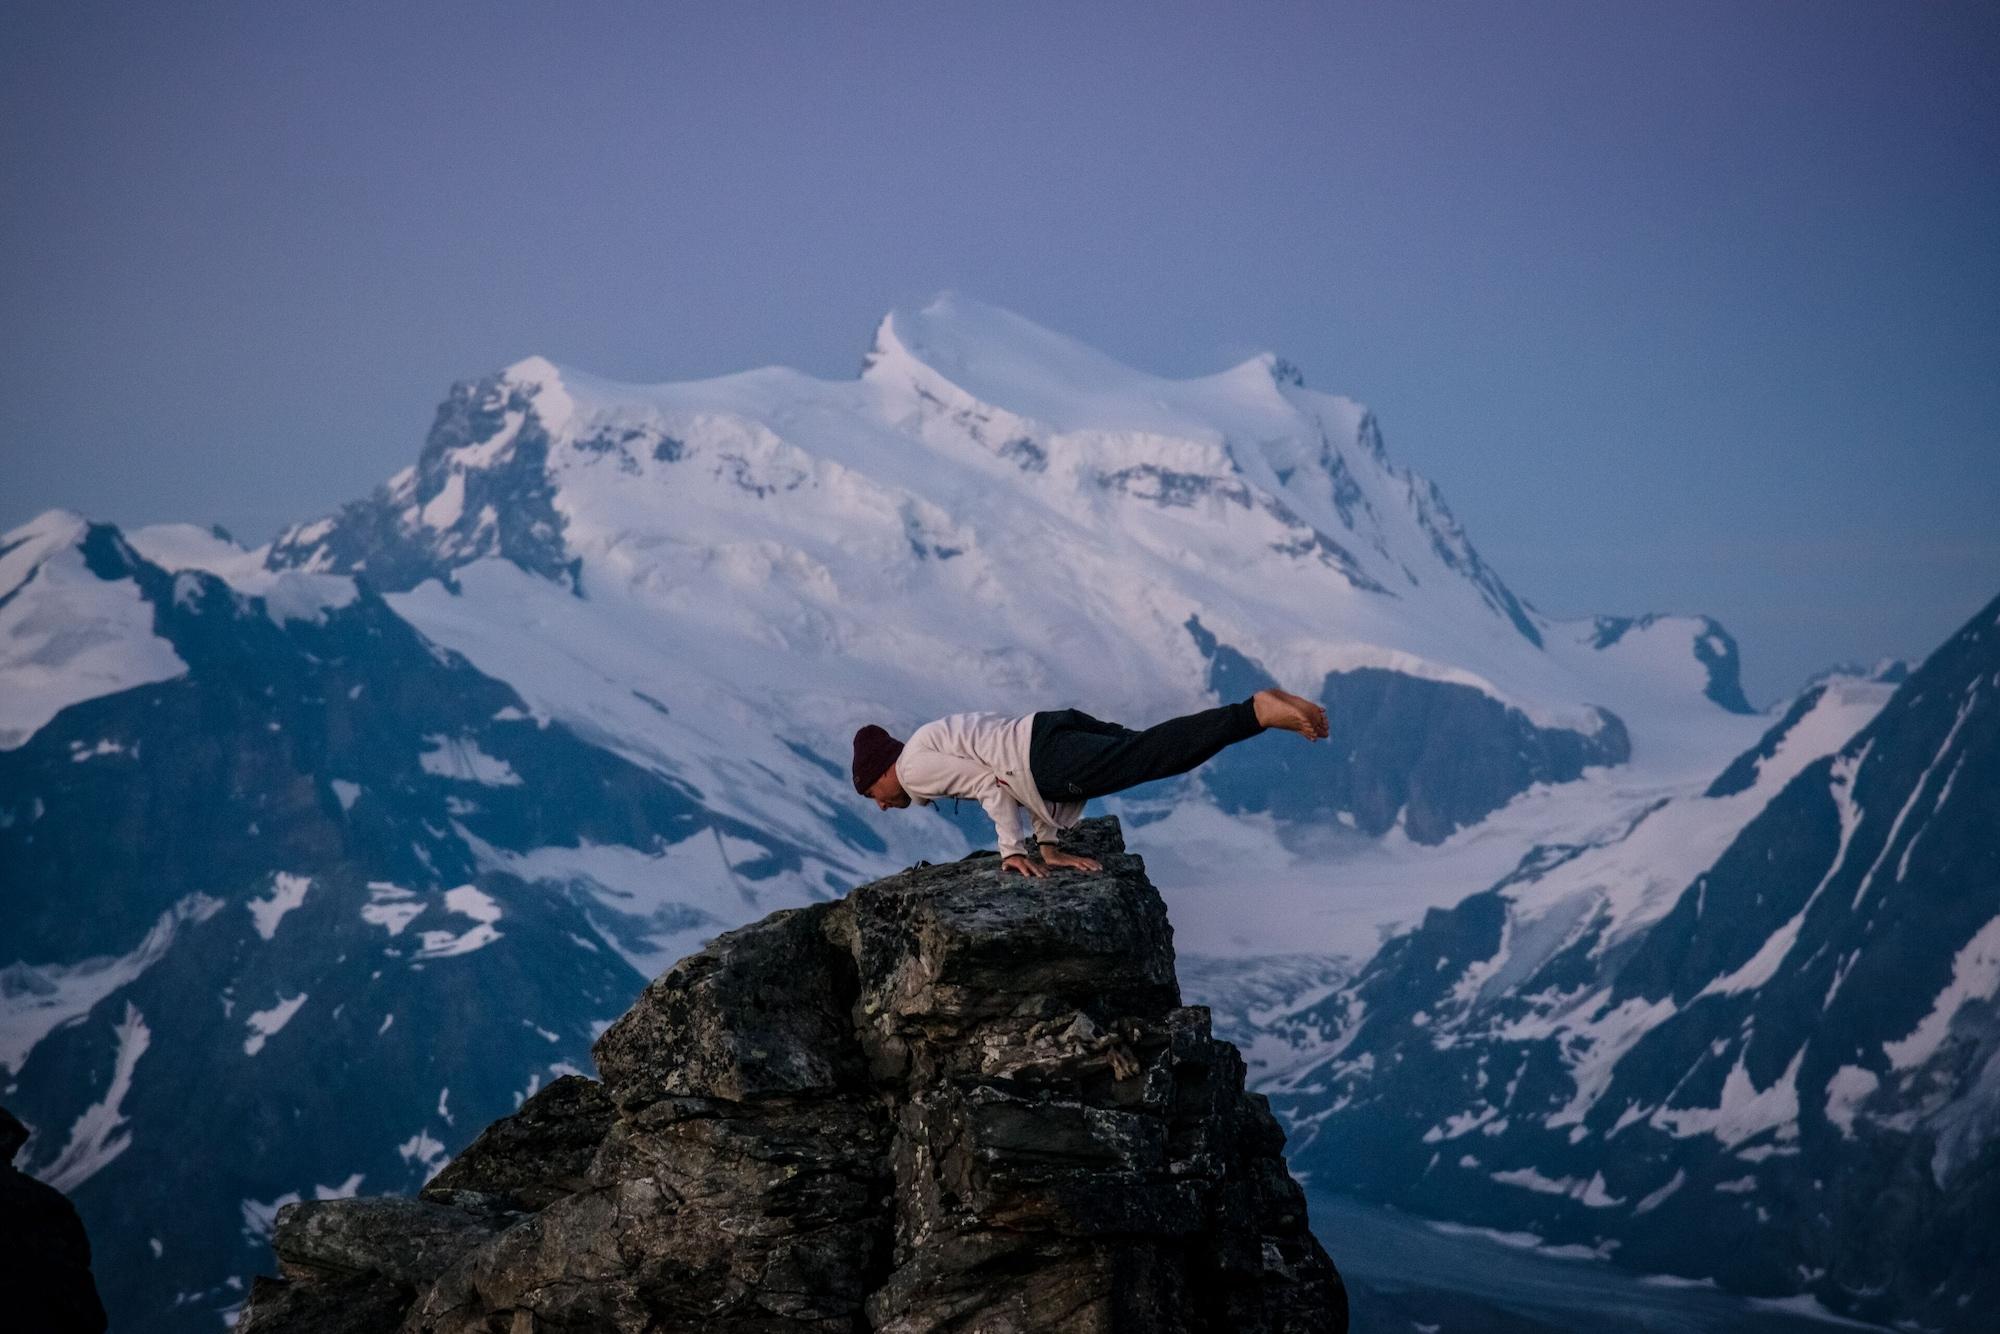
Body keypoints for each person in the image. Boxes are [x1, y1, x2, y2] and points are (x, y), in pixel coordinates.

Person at [851, 689, 1329, 878]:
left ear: (882, 774)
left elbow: (991, 785)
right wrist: (1050, 845)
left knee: (1153, 755)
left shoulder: (913, 768)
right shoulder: (925, 742)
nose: (882, 806)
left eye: (873, 794)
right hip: (1047, 729)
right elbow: (1005, 771)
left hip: (1044, 758)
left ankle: (1256, 712)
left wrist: (1013, 851)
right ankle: (1254, 713)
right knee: (1149, 747)